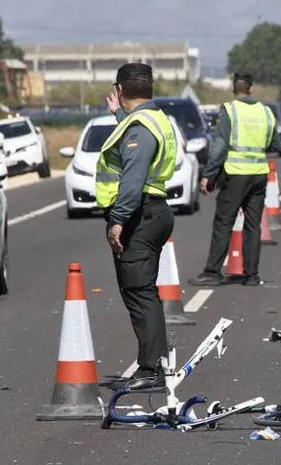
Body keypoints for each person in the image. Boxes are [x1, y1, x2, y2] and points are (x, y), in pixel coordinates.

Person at [96, 63, 176, 390]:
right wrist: (118, 115)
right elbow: (134, 145)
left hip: (139, 215)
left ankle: (151, 367)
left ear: (120, 88)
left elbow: (132, 179)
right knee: (143, 291)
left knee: (140, 292)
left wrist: (117, 220)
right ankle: (155, 361)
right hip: (152, 211)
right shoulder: (151, 118)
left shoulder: (141, 125)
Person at [188, 72, 280, 287]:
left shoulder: (230, 110)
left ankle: (212, 272)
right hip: (259, 173)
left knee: (223, 222)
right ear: (251, 88)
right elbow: (275, 144)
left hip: (236, 173)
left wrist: (209, 175)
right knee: (253, 225)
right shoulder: (266, 112)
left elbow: (219, 146)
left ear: (233, 87)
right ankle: (251, 275)